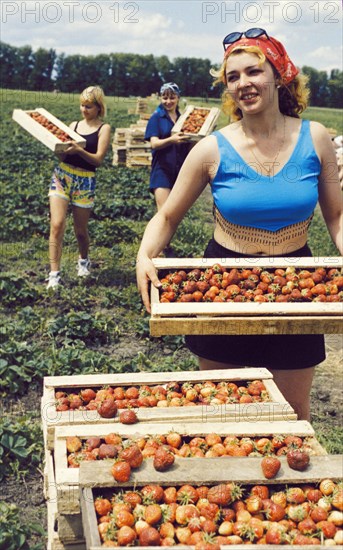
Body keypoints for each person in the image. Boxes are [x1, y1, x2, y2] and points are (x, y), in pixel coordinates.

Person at [136, 29, 342, 421]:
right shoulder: (212, 149)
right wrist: (145, 254)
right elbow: (166, 216)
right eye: (233, 77)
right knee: (224, 413)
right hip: (222, 282)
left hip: (296, 287)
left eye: (254, 71)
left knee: (293, 414)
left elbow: (336, 215)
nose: (244, 83)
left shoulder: (315, 139)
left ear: (278, 75)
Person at [47, 85, 111, 289]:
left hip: (85, 180)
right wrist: (57, 148)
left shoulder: (104, 128)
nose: (84, 110)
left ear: (99, 107)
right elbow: (63, 155)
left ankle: (83, 260)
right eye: (82, 105)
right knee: (56, 225)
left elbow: (98, 160)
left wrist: (79, 149)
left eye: (89, 106)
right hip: (62, 175)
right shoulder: (73, 125)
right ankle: (54, 274)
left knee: (80, 231)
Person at [145, 82, 191, 212]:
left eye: (172, 97)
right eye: (165, 98)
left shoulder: (184, 118)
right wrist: (172, 140)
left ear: (178, 98)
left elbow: (189, 145)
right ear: (160, 98)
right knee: (164, 212)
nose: (168, 101)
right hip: (162, 170)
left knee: (175, 213)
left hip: (179, 171)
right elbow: (154, 143)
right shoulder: (156, 118)